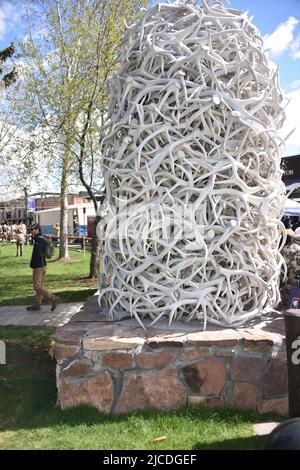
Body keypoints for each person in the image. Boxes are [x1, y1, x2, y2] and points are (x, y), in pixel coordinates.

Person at [26, 223, 61, 312]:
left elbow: (38, 254)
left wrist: (33, 263)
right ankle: (37, 304)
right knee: (40, 285)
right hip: (42, 265)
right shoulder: (40, 239)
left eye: (33, 229)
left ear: (38, 229)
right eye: (31, 229)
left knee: (37, 286)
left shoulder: (39, 240)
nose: (32, 231)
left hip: (39, 266)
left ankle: (53, 298)